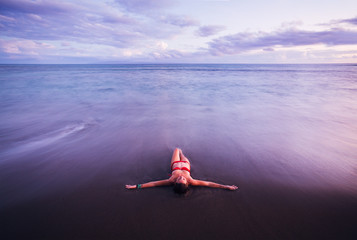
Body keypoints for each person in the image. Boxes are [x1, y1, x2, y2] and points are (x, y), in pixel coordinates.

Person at [125, 148, 238, 193]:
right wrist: (226, 186)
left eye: (179, 179)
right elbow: (209, 183)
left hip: (175, 164)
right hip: (185, 164)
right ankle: (182, 152)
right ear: (186, 183)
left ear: (175, 182)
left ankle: (180, 150)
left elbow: (154, 183)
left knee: (176, 149)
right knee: (181, 152)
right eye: (182, 179)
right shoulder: (191, 181)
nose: (180, 177)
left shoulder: (170, 180)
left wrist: (136, 186)